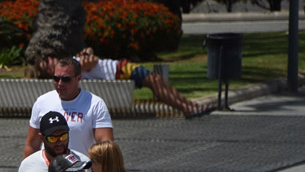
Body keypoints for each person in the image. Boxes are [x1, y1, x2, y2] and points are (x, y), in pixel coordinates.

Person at [50, 49, 211, 119]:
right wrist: (87, 57)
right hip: (119, 70)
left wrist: (86, 54)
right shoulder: (75, 68)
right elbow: (93, 60)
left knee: (158, 81)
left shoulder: (74, 62)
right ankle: (187, 108)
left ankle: (189, 106)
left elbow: (90, 53)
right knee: (156, 81)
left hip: (121, 68)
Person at [23, 56, 113, 158]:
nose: (60, 83)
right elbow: (32, 145)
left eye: (66, 79)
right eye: (56, 78)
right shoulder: (42, 102)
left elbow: (106, 146)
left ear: (78, 78)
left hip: (82, 170)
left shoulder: (95, 104)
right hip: (48, 170)